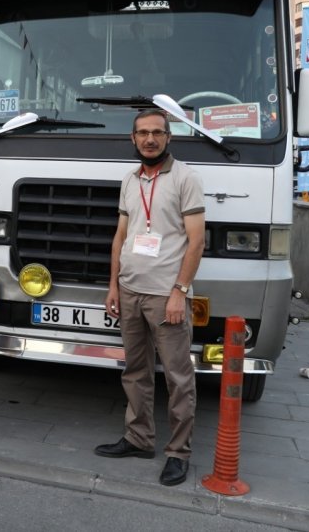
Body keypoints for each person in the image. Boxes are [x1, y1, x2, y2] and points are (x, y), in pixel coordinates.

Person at [94, 109, 205, 487]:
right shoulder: (130, 180)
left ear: (168, 137)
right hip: (130, 291)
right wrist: (113, 286)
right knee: (136, 371)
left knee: (178, 377)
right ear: (133, 138)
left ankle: (178, 453)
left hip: (165, 295)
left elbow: (197, 241)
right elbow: (121, 237)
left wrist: (179, 292)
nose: (150, 139)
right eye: (143, 133)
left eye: (157, 132)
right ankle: (139, 439)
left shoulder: (185, 178)